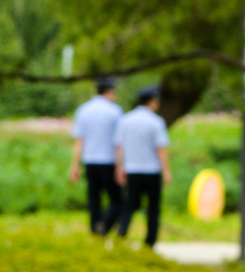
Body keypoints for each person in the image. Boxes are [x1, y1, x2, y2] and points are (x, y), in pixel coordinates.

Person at [115, 84, 172, 245]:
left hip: (132, 170)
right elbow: (161, 149)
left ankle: (122, 235)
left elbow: (119, 147)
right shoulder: (156, 122)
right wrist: (166, 171)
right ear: (152, 102)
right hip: (152, 171)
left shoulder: (126, 120)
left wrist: (119, 168)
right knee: (153, 208)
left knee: (130, 205)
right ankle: (150, 242)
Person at [69, 76, 124, 234]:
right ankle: (105, 225)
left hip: (90, 161)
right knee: (117, 200)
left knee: (94, 199)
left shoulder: (83, 110)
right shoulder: (115, 111)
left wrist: (75, 166)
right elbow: (119, 143)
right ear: (108, 92)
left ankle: (94, 228)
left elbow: (79, 141)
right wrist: (120, 166)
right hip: (108, 161)